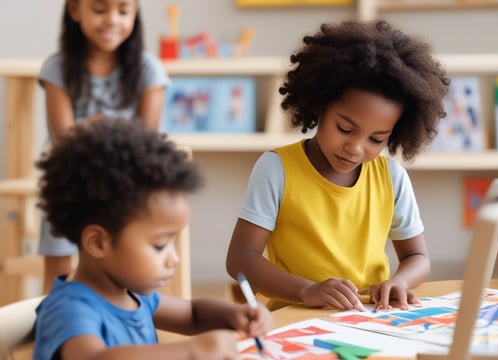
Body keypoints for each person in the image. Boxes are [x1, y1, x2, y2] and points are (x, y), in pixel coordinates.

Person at [226, 20, 450, 312]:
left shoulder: (392, 178)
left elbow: (417, 258)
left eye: (376, 138)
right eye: (344, 128)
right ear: (320, 105)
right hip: (294, 317)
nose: (355, 148)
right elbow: (241, 258)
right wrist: (307, 291)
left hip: (370, 319)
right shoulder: (277, 169)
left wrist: (401, 282)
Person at [33, 119, 272, 360]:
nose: (174, 259)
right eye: (159, 246)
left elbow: (192, 314)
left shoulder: (132, 293)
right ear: (98, 243)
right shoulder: (70, 309)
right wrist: (191, 350)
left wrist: (235, 315)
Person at [37, 0, 170, 293]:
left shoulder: (149, 69)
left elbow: (145, 141)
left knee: (126, 261)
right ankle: (54, 322)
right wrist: (117, 129)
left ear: (135, 14)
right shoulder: (57, 68)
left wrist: (91, 126)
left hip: (126, 183)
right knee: (57, 269)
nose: (112, 20)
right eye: (99, 10)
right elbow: (64, 139)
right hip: (69, 179)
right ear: (74, 10)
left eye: (123, 11)